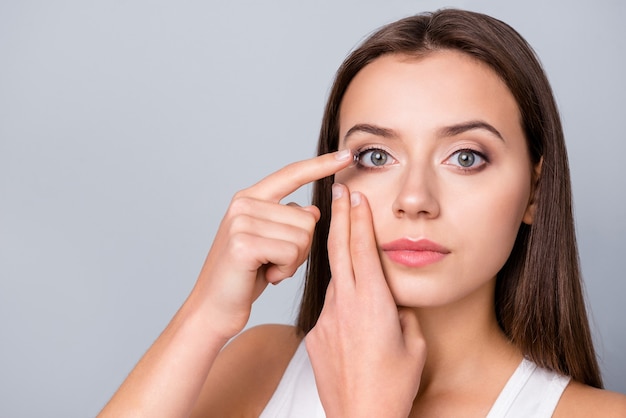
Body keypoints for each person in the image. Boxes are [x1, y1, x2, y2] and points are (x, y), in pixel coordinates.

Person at [98, 9, 626, 417]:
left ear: (534, 192)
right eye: (375, 157)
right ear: (330, 182)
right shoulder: (262, 362)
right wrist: (207, 313)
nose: (414, 198)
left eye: (466, 157)